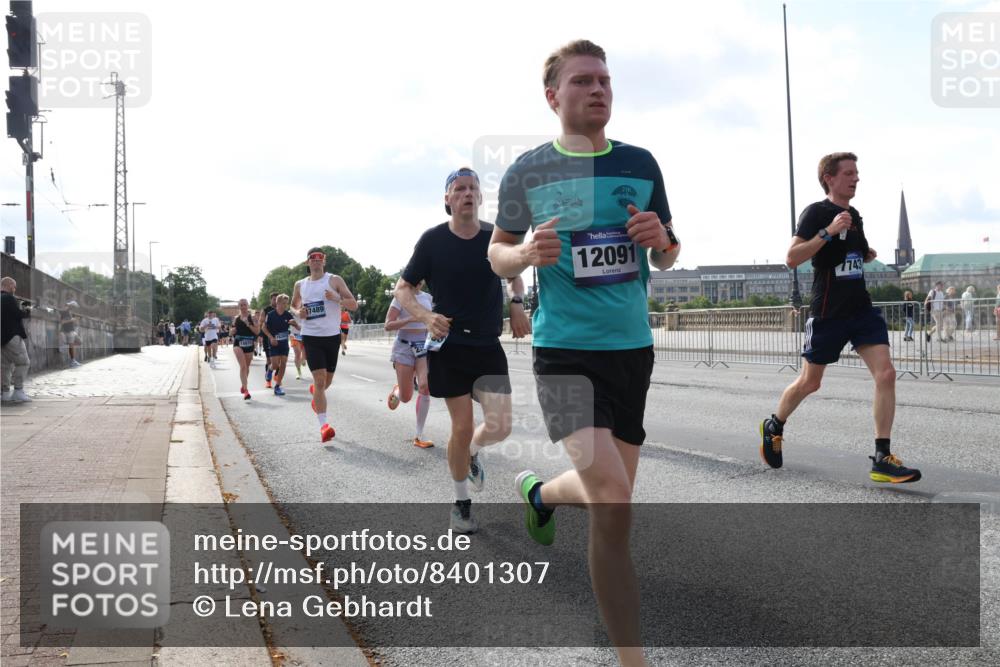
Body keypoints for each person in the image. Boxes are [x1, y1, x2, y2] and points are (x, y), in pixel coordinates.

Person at [487, 40, 678, 666]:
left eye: (605, 80)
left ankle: (540, 496)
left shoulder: (642, 163)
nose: (598, 89)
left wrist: (664, 239)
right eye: (583, 81)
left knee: (608, 499)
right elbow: (497, 251)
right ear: (553, 97)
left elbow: (668, 248)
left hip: (632, 351)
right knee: (615, 499)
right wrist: (524, 257)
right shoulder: (528, 172)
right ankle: (633, 659)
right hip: (564, 351)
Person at [759, 151, 921, 486]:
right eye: (848, 173)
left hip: (860, 309)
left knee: (886, 374)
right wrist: (828, 232)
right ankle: (774, 424)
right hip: (828, 312)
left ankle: (882, 457)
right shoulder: (816, 213)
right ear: (829, 178)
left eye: (857, 173)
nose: (856, 178)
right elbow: (792, 258)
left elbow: (853, 253)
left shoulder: (855, 215)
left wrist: (866, 253)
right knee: (811, 382)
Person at [395, 167, 529, 535]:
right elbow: (403, 288)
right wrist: (425, 315)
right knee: (461, 423)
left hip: (487, 344)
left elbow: (515, 270)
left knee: (501, 425)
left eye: (473, 188)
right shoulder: (433, 240)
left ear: (481, 197)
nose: (468, 193)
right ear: (447, 199)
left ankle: (471, 452)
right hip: (449, 345)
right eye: (459, 188)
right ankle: (461, 504)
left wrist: (517, 302)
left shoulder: (494, 236)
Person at [291, 247, 358, 443]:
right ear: (308, 262)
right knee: (319, 381)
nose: (317, 260)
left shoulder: (334, 280)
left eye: (320, 257)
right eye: (313, 257)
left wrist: (337, 298)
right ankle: (324, 427)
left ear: (324, 261)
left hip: (332, 337)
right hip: (311, 336)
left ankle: (316, 395)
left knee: (325, 383)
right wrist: (298, 313)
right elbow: (293, 305)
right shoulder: (300, 285)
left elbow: (353, 304)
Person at [384, 281, 434, 448]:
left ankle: (419, 436)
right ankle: (398, 391)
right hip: (403, 346)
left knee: (425, 386)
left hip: (423, 346)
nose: (420, 282)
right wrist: (410, 319)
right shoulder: (400, 298)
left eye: (422, 278)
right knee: (406, 397)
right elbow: (388, 325)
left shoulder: (428, 298)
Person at [1, 276, 32, 403]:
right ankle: (18, 391)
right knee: (23, 362)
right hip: (12, 337)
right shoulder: (9, 298)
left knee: (4, 366)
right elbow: (17, 314)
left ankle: (4, 393)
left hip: (1, 338)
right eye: (14, 287)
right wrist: (28, 311)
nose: (15, 289)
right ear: (9, 286)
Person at [262, 293, 299, 396]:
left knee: (283, 363)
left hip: (283, 343)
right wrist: (271, 337)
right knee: (275, 365)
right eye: (283, 303)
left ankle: (277, 386)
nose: (285, 306)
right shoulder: (271, 315)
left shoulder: (288, 315)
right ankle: (269, 370)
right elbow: (263, 328)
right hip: (274, 343)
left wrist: (296, 324)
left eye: (286, 304)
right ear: (277, 303)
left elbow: (297, 327)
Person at [231, 299, 260, 399]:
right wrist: (232, 331)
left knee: (247, 368)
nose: (243, 307)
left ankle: (243, 385)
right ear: (238, 307)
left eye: (244, 305)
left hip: (249, 344)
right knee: (243, 366)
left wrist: (248, 324)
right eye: (241, 305)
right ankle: (246, 391)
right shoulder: (236, 318)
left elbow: (257, 332)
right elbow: (230, 333)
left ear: (248, 306)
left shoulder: (253, 318)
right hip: (238, 343)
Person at [261, 292, 278, 387]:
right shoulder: (266, 310)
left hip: (279, 337)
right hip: (267, 337)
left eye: (277, 299)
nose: (275, 301)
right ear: (270, 300)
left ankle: (276, 376)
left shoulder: (281, 309)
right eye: (273, 299)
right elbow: (261, 322)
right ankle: (268, 380)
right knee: (269, 360)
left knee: (279, 360)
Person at [59, 301, 82, 367]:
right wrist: (72, 320)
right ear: (71, 306)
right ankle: (73, 361)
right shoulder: (64, 312)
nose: (74, 308)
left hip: (72, 331)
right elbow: (62, 322)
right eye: (74, 307)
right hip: (67, 331)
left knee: (79, 342)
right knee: (72, 345)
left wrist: (75, 320)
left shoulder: (70, 312)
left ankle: (72, 360)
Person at [290, 312, 305, 380]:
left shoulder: (306, 309)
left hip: (304, 334)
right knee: (298, 353)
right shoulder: (291, 312)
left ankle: (303, 359)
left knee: (304, 357)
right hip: (294, 335)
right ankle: (299, 372)